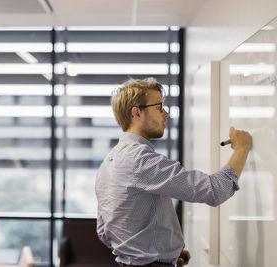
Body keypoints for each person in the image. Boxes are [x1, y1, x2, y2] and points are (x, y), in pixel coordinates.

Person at [95, 78, 252, 267]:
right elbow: (215, 190)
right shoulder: (140, 161)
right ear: (137, 113)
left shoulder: (109, 162)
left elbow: (105, 232)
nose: (166, 113)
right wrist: (242, 149)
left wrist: (160, 253)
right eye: (159, 107)